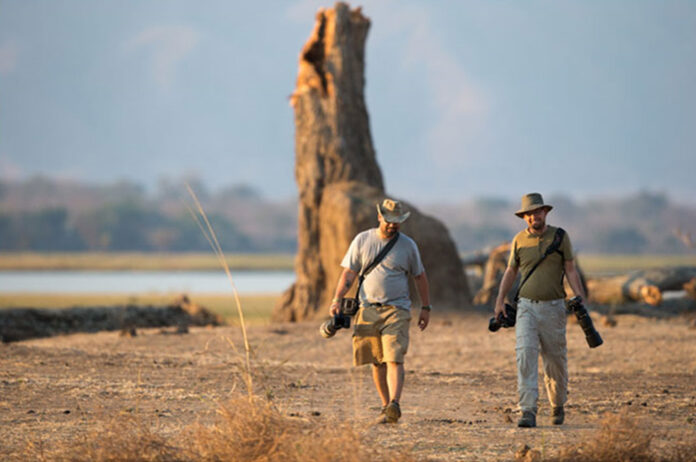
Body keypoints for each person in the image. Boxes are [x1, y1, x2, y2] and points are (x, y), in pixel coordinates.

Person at [329, 198, 431, 424]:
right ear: (379, 217)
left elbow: (419, 276)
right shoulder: (362, 240)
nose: (392, 225)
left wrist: (426, 307)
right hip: (367, 309)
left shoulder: (408, 245)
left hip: (397, 309)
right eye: (389, 220)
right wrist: (337, 298)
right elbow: (349, 274)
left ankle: (395, 402)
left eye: (397, 221)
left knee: (394, 357)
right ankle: (386, 406)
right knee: (376, 361)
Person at [494, 193, 586, 428]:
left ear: (545, 212)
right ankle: (528, 410)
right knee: (525, 355)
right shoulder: (518, 241)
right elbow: (510, 272)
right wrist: (499, 299)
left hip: (554, 307)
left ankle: (557, 404)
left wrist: (580, 296)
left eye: (538, 211)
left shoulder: (560, 237)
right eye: (529, 213)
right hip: (526, 307)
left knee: (554, 360)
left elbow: (571, 269)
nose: (534, 216)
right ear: (524, 217)